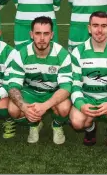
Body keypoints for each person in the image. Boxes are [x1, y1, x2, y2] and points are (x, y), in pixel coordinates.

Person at [6, 16, 73, 145]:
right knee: (13, 110)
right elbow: (13, 86)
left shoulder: (62, 54)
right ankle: (35, 123)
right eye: (38, 33)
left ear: (52, 35)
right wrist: (24, 107)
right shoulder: (21, 54)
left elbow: (66, 87)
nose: (42, 38)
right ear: (31, 34)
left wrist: (45, 105)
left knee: (64, 108)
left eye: (46, 33)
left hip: (53, 93)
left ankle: (57, 124)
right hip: (30, 93)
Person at [69, 11, 107, 148]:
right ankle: (90, 130)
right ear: (89, 28)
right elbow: (75, 84)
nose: (99, 30)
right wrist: (81, 104)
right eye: (95, 25)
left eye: (104, 26)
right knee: (77, 122)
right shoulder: (78, 52)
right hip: (87, 98)